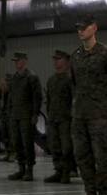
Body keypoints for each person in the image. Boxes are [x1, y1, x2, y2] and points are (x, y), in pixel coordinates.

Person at [68, 15, 107, 195]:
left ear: (94, 28)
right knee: (82, 156)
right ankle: (90, 194)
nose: (80, 31)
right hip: (80, 115)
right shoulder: (76, 56)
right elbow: (74, 84)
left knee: (101, 157)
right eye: (78, 28)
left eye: (84, 28)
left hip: (100, 115)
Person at [5, 52, 42, 181]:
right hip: (15, 115)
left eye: (18, 60)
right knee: (16, 143)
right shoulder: (14, 78)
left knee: (27, 143)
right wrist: (9, 112)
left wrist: (35, 114)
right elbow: (10, 97)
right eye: (15, 61)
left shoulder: (31, 77)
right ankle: (21, 169)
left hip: (26, 115)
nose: (16, 63)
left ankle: (29, 170)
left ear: (24, 61)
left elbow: (37, 97)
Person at [44, 50, 74, 183]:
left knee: (66, 147)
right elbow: (49, 100)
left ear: (66, 62)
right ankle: (58, 171)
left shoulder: (70, 80)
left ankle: (66, 172)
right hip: (53, 118)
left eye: (59, 59)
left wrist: (73, 118)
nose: (56, 62)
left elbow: (74, 100)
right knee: (54, 146)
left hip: (66, 119)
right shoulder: (51, 80)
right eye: (55, 59)